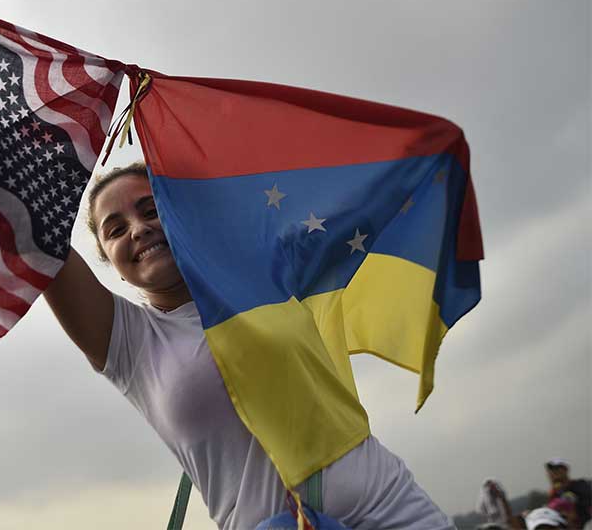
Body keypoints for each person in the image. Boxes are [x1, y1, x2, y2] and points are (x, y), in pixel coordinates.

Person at [43, 163, 455, 530]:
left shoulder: (269, 270)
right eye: (115, 230)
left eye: (151, 210)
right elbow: (34, 233)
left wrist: (421, 159)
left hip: (390, 509)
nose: (139, 228)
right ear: (109, 259)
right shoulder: (127, 340)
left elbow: (357, 200)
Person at [545, 459, 591, 528]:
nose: (554, 472)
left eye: (557, 468)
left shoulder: (580, 485)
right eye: (551, 470)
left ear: (566, 470)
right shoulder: (553, 493)